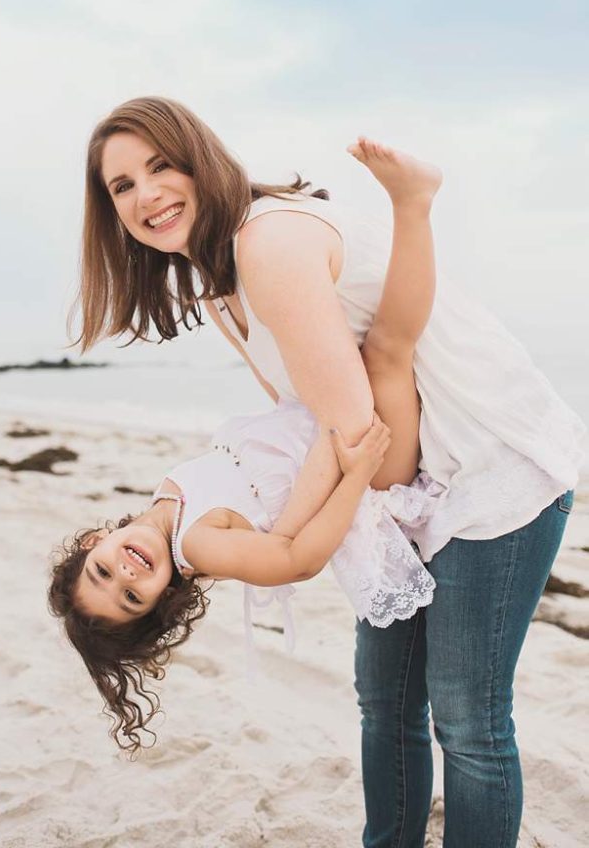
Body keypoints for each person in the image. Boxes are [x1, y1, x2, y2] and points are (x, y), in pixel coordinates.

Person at [70, 96, 585, 848]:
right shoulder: (218, 282)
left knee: (467, 715)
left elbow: (352, 429)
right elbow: (302, 412)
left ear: (199, 156)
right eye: (121, 186)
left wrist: (316, 515)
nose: (145, 195)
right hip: (398, 483)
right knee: (385, 700)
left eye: (160, 165)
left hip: (480, 466)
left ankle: (417, 204)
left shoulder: (266, 247)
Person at [50, 148, 441, 753]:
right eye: (131, 596)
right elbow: (296, 557)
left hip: (317, 429)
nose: (125, 573)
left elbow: (274, 388)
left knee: (363, 355)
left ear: (89, 544)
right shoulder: (199, 542)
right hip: (354, 459)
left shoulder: (167, 502)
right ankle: (413, 206)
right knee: (386, 353)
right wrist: (358, 473)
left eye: (103, 571)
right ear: (160, 602)